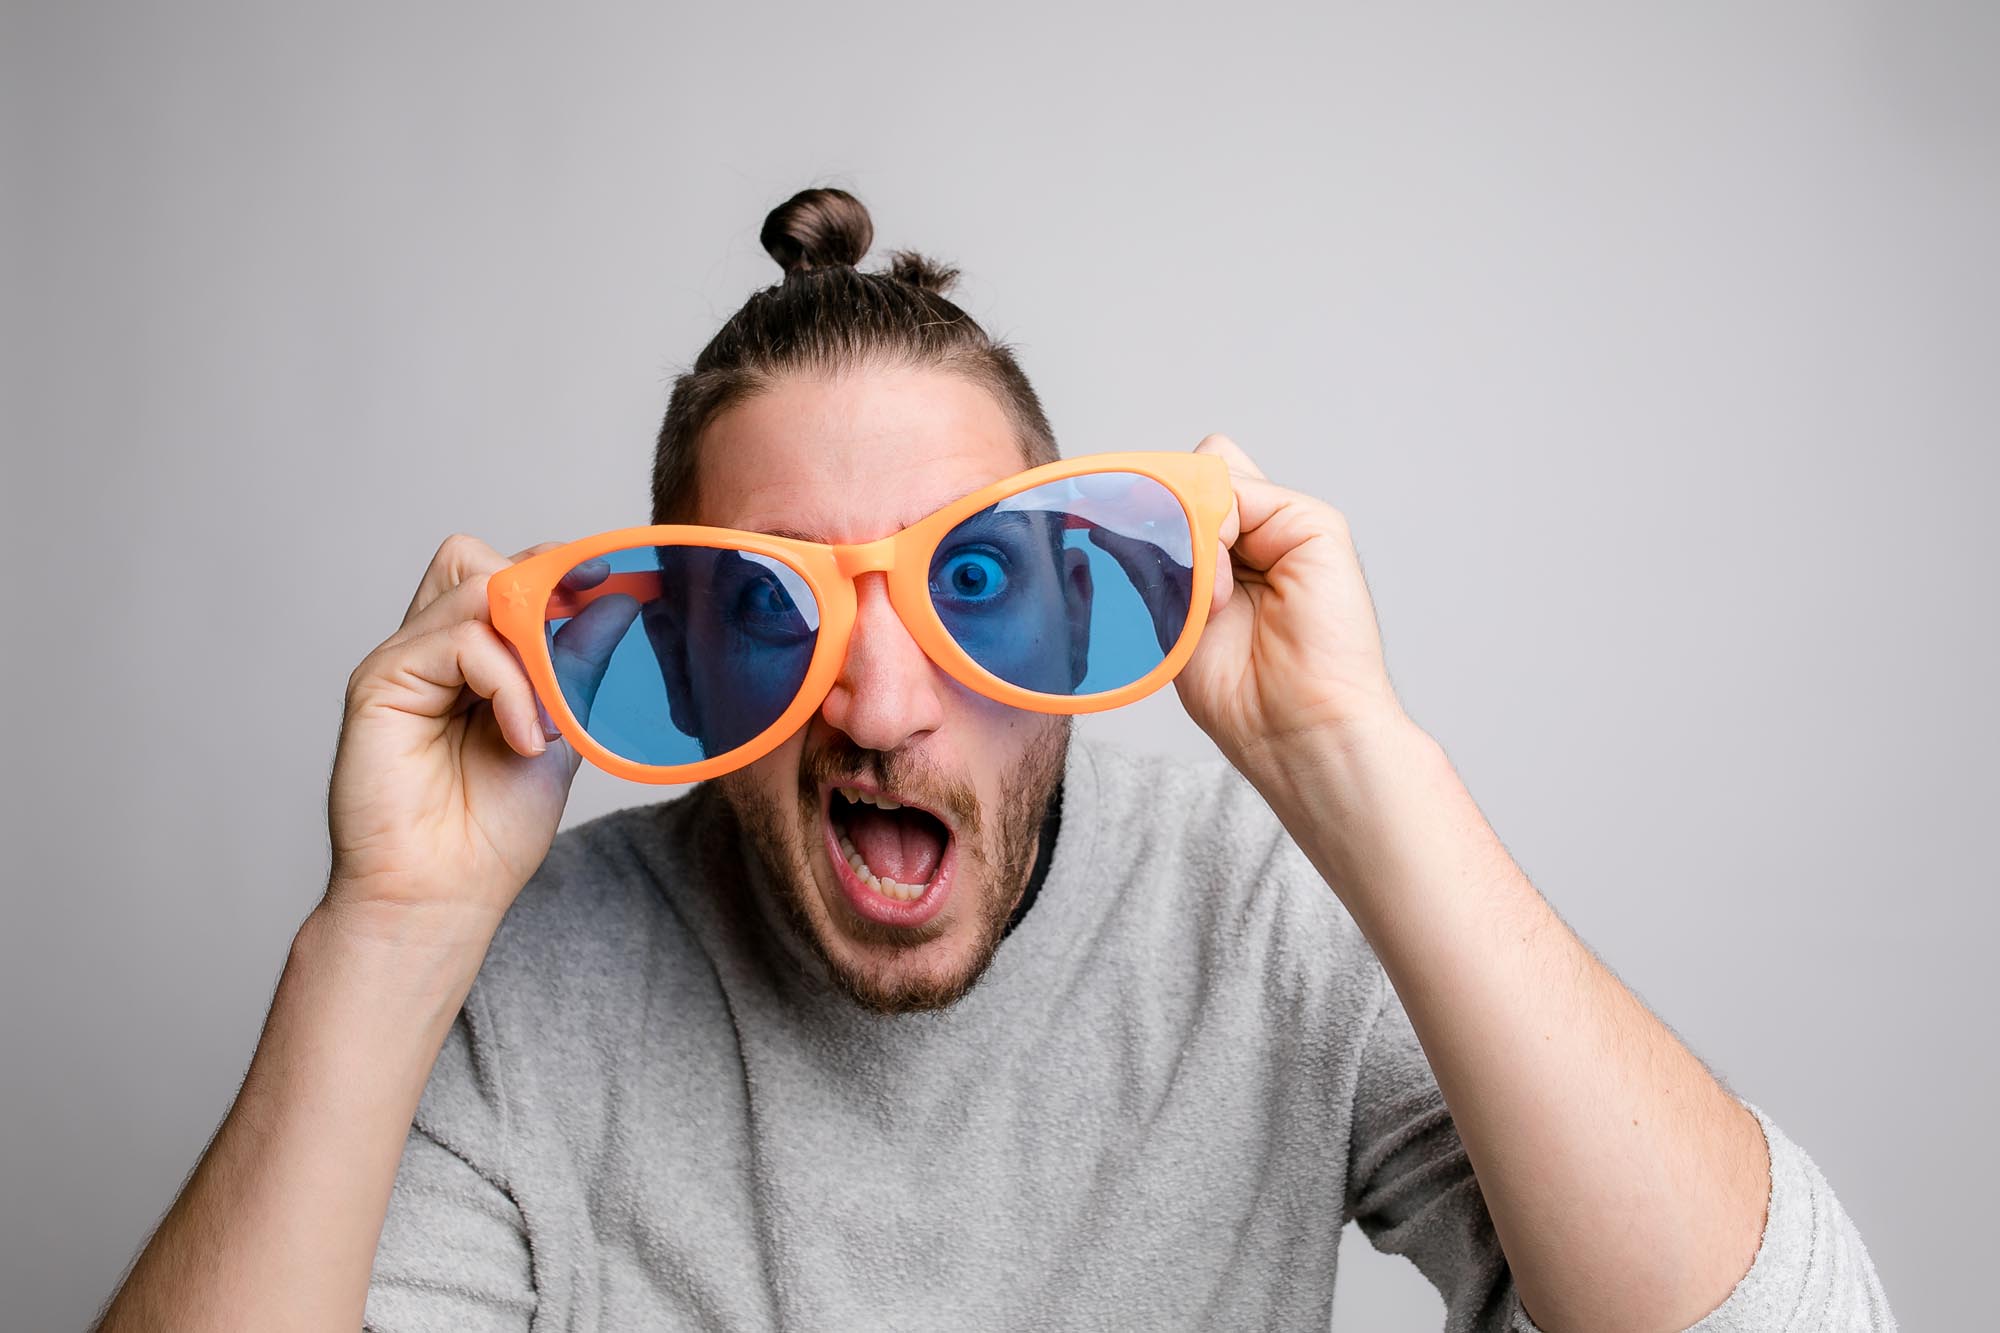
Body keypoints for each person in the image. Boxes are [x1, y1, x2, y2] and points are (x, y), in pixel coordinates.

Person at [93, 187, 1896, 1332]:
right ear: (682, 666)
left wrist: (1364, 767)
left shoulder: (1257, 909)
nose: (881, 707)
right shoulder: (519, 986)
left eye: (970, 595)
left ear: (1074, 626)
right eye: (774, 615)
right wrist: (387, 932)